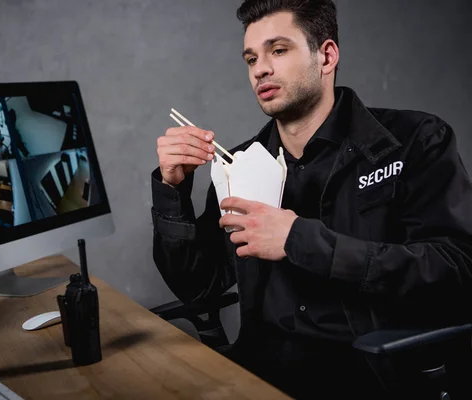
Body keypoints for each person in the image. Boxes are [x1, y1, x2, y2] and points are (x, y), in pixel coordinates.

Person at [150, 0, 472, 398]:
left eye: (278, 50)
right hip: (260, 373)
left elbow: (456, 269)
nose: (260, 69)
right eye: (251, 58)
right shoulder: (240, 165)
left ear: (327, 56)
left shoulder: (414, 140)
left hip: (369, 377)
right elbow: (200, 289)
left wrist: (298, 239)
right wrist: (172, 190)